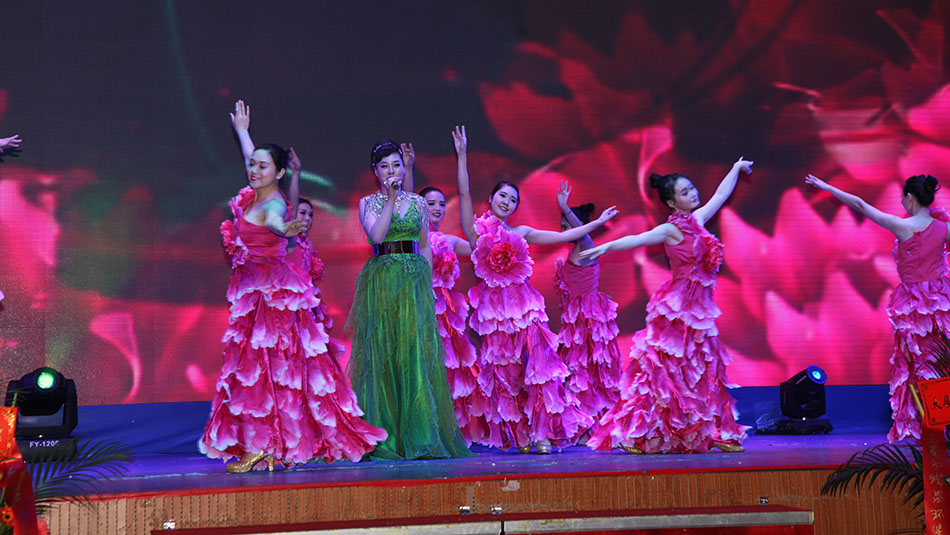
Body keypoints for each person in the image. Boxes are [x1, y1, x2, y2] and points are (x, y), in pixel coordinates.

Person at [199, 101, 386, 472]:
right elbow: (253, 160)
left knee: (266, 370)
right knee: (261, 370)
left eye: (262, 166)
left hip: (271, 300)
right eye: (252, 165)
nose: (254, 170)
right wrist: (242, 131)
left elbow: (274, 223)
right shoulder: (256, 193)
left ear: (280, 173)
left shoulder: (273, 205)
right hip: (255, 295)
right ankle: (269, 443)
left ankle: (265, 444)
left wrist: (284, 229)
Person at [454, 125, 618, 453]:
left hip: (526, 310)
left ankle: (543, 433)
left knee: (538, 368)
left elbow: (563, 237)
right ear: (491, 199)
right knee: (506, 374)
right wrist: (461, 155)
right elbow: (463, 194)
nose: (507, 202)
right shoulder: (477, 233)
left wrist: (597, 222)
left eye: (513, 199)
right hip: (495, 316)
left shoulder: (522, 232)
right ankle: (521, 434)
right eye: (502, 196)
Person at [584, 158, 753, 454]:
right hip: (679, 310)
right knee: (665, 374)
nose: (693, 193)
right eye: (685, 192)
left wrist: (736, 168)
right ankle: (638, 434)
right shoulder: (671, 229)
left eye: (692, 188)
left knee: (704, 371)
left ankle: (710, 431)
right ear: (672, 203)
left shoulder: (697, 220)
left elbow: (720, 194)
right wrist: (607, 246)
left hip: (701, 311)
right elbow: (638, 239)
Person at [346, 139, 473, 460]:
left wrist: (427, 283)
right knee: (383, 353)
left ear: (403, 168)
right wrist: (390, 199)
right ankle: (385, 436)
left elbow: (424, 244)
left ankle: (420, 435)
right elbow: (376, 235)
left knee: (413, 353)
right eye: (385, 166)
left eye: (396, 165)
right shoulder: (367, 203)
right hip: (383, 280)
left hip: (414, 280)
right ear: (375, 171)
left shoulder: (418, 202)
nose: (392, 171)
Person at [805, 173, 950, 443]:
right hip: (941, 306)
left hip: (914, 309)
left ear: (910, 197)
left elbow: (860, 205)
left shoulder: (903, 226)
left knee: (918, 365)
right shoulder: (944, 228)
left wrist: (826, 187)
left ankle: (930, 429)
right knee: (938, 364)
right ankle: (940, 427)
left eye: (903, 198)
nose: (902, 203)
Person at [552, 182, 622, 440]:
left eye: (568, 226)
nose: (564, 231)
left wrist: (565, 208)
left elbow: (581, 233)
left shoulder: (586, 245)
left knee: (590, 372)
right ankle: (583, 426)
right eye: (562, 227)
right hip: (575, 319)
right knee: (578, 373)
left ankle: (597, 428)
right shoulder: (574, 249)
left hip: (589, 318)